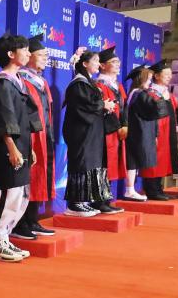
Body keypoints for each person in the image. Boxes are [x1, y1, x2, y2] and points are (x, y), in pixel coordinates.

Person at [0, 33, 37, 261]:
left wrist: (28, 147)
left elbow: (23, 118)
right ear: (11, 54)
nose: (28, 53)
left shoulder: (18, 82)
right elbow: (3, 119)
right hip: (7, 148)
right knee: (7, 192)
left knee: (19, 193)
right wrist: (12, 147)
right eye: (24, 49)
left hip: (21, 146)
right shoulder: (2, 83)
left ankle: (5, 235)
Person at [63, 50, 122, 216]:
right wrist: (103, 105)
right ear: (84, 64)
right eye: (95, 61)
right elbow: (84, 106)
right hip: (81, 132)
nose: (97, 64)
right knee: (81, 164)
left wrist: (105, 106)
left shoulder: (89, 82)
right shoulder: (78, 83)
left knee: (90, 164)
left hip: (91, 132)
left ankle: (84, 200)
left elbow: (92, 104)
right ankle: (75, 203)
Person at [11, 34, 57, 239]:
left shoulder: (41, 81)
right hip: (29, 136)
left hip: (44, 135)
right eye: (42, 55)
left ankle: (32, 219)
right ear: (29, 56)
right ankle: (20, 223)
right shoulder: (21, 79)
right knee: (29, 177)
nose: (46, 58)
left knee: (40, 177)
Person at [139, 60, 178, 200]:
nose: (170, 77)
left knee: (163, 159)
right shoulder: (150, 93)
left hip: (167, 131)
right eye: (166, 74)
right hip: (155, 131)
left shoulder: (167, 93)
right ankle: (151, 189)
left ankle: (158, 188)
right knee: (154, 159)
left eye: (170, 74)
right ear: (156, 76)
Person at [93, 46, 130, 197]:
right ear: (102, 65)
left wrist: (125, 125)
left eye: (118, 62)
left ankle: (107, 198)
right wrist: (117, 127)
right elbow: (104, 110)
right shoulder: (98, 85)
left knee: (113, 165)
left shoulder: (118, 85)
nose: (118, 64)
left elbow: (124, 107)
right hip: (105, 131)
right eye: (114, 62)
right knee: (103, 164)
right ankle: (100, 200)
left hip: (117, 131)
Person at [124, 65, 162, 199]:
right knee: (133, 160)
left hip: (138, 131)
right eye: (149, 79)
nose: (150, 82)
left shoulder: (137, 93)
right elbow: (154, 109)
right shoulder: (138, 94)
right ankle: (130, 189)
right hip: (137, 131)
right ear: (141, 79)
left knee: (134, 161)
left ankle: (131, 189)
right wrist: (160, 98)